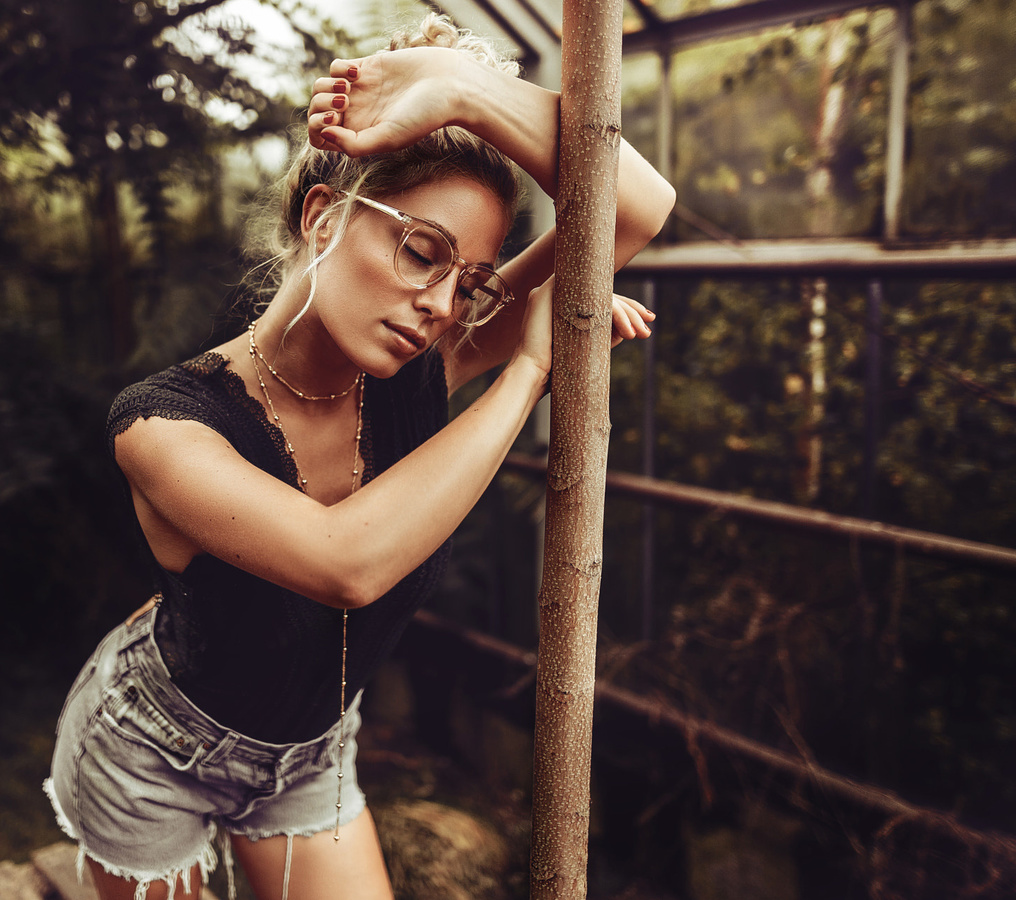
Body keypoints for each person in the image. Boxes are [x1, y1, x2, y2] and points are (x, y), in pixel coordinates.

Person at [43, 13, 675, 900]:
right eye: (423, 252)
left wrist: (469, 96)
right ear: (322, 216)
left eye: (472, 283)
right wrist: (530, 367)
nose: (443, 305)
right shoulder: (162, 425)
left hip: (312, 756)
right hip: (153, 750)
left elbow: (638, 208)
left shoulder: (421, 368)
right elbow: (347, 564)